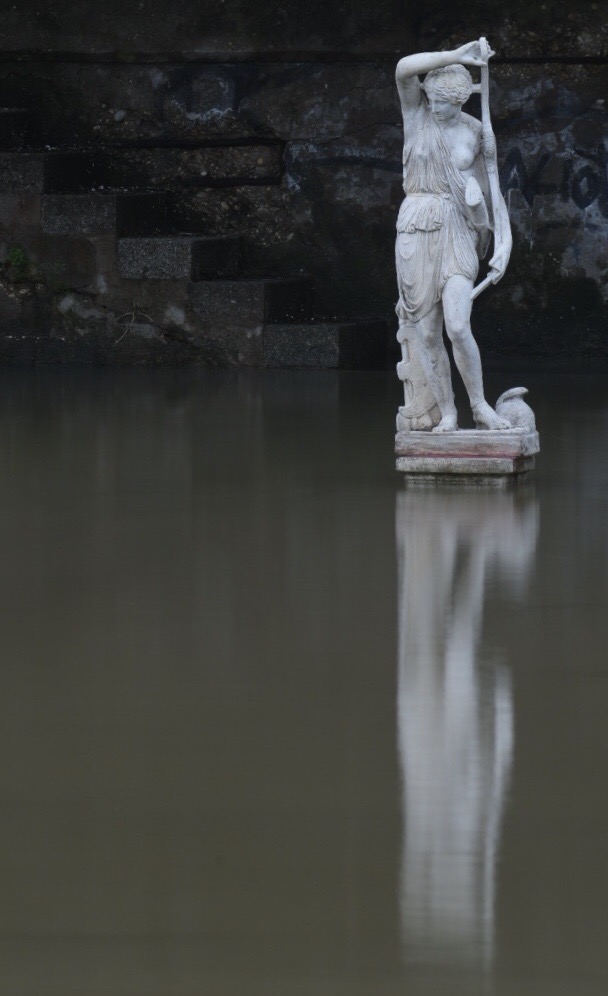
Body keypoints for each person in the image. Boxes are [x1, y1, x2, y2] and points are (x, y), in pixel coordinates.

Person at [395, 40, 511, 431]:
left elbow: (490, 192)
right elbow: (403, 68)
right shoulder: (416, 117)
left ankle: (479, 406)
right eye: (429, 99)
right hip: (416, 227)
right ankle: (448, 412)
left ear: (459, 101)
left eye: (440, 102)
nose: (432, 106)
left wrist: (496, 235)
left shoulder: (476, 131)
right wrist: (453, 57)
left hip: (457, 229)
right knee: (427, 332)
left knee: (458, 326)